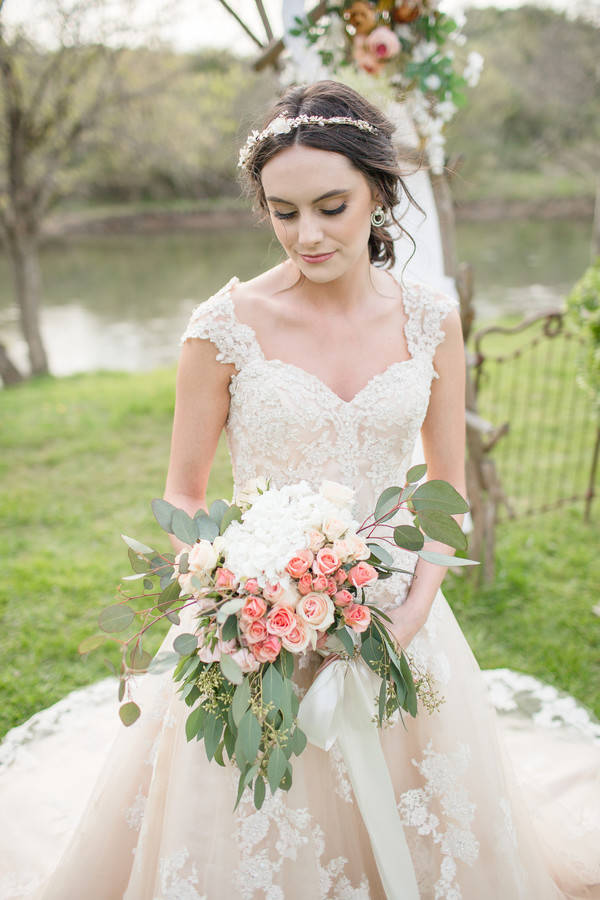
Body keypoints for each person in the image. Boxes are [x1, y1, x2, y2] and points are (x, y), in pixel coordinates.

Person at [4, 79, 600, 900]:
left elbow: (448, 482)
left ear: (380, 195)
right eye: (284, 213)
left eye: (331, 206)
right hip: (259, 619)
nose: (307, 235)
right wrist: (235, 592)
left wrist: (414, 608)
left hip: (393, 609)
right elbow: (182, 492)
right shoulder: (223, 326)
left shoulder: (431, 317)